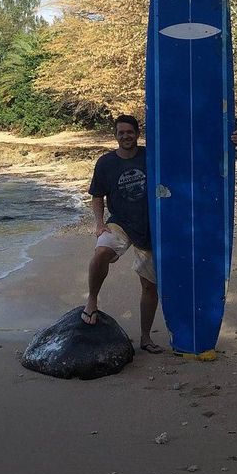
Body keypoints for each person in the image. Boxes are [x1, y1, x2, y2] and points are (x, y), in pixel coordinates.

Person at [81, 114, 163, 354]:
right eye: (121, 133)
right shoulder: (106, 163)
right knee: (100, 253)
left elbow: (188, 153)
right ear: (115, 136)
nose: (126, 136)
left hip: (150, 228)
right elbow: (97, 196)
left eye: (130, 132)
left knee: (149, 287)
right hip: (119, 223)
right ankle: (92, 300)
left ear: (137, 134)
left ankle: (146, 338)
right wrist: (99, 224)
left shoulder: (151, 156)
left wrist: (229, 141)